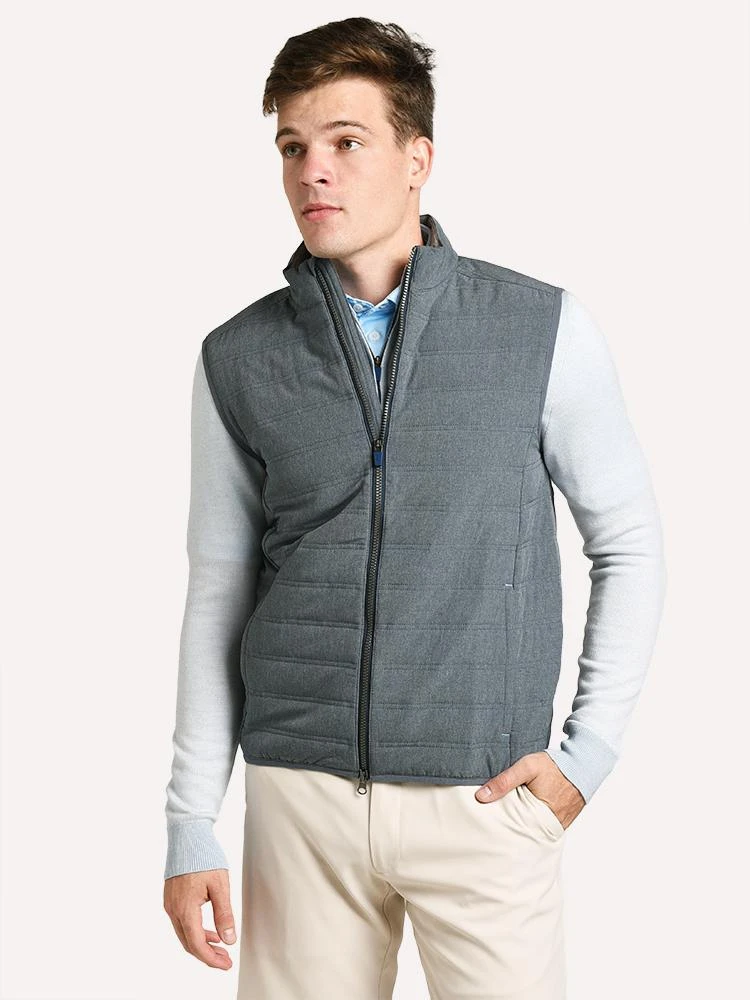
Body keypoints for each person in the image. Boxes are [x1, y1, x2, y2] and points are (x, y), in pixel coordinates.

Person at [163, 16, 666, 999]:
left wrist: (586, 758)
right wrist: (190, 820)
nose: (315, 171)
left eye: (347, 141)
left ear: (418, 159)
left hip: (484, 798)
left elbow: (629, 543)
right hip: (301, 801)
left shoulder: (538, 329)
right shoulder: (240, 357)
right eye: (293, 146)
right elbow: (219, 587)